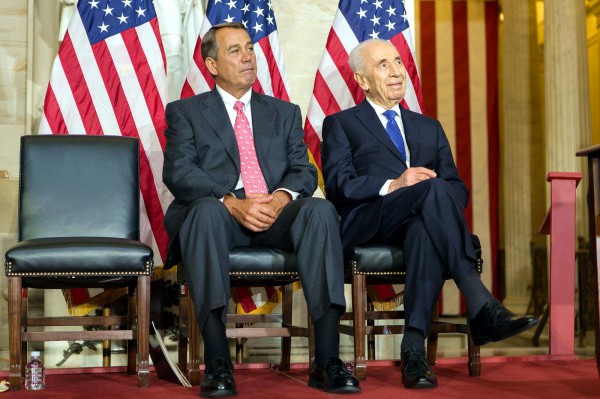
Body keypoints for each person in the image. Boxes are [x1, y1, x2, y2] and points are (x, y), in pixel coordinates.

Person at [321, 39, 539, 390]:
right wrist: (395, 184)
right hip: (371, 221)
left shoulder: (428, 127)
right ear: (361, 81)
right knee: (431, 190)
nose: (396, 71)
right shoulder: (342, 124)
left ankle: (413, 352)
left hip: (419, 223)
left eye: (398, 62)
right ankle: (480, 302)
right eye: (383, 65)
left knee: (427, 222)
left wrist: (428, 192)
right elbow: (338, 185)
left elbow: (457, 188)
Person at [162, 22, 360, 397]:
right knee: (204, 211)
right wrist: (233, 204)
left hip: (274, 212)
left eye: (250, 48)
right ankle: (218, 361)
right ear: (212, 65)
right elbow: (179, 172)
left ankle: (328, 359)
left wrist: (283, 197)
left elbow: (302, 169)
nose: (248, 56)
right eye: (235, 50)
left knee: (319, 211)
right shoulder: (186, 112)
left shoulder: (283, 112)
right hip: (221, 214)